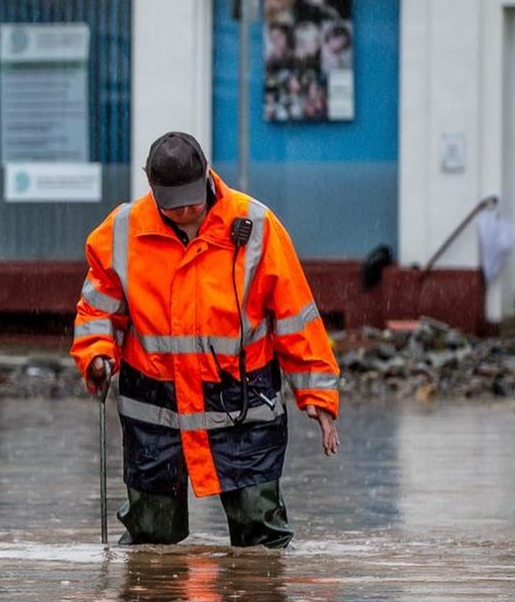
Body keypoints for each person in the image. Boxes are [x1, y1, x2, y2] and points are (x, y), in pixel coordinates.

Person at [72, 132, 341, 548]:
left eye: (191, 202)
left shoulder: (256, 227)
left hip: (243, 406)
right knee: (151, 539)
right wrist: (96, 355)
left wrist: (319, 399)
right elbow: (98, 311)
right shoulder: (122, 232)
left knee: (261, 534)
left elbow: (296, 317)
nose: (183, 212)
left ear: (208, 178)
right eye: (172, 204)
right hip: (155, 410)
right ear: (151, 188)